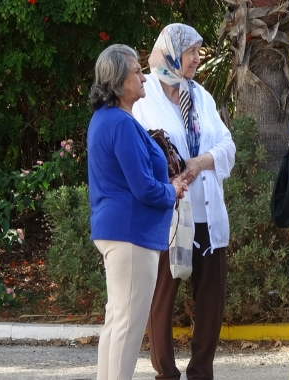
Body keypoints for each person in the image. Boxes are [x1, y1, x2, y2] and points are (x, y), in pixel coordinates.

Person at [133, 23, 236, 380]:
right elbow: (139, 152)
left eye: (197, 51)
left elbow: (227, 145)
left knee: (211, 300)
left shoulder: (200, 96)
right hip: (169, 215)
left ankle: (201, 372)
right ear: (172, 53)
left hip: (207, 212)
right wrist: (171, 172)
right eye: (191, 51)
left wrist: (199, 162)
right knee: (162, 295)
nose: (197, 58)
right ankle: (166, 373)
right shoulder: (144, 98)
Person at [87, 44, 187, 380]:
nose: (143, 76)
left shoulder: (106, 119)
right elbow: (143, 187)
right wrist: (171, 190)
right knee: (127, 327)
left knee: (117, 321)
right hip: (130, 234)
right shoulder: (121, 124)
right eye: (135, 71)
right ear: (117, 81)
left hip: (119, 231)